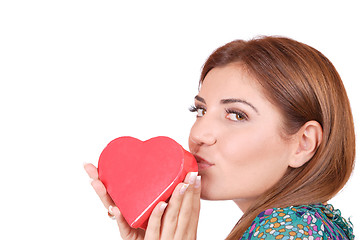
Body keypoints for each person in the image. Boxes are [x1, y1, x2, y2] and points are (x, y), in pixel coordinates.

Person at [84, 36, 355, 240]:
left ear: (303, 143)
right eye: (200, 110)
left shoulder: (290, 232)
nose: (199, 134)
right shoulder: (307, 224)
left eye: (237, 115)